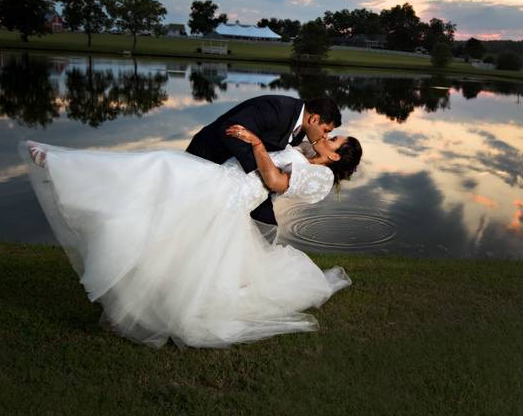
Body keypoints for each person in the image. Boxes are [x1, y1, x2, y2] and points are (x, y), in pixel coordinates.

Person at [20, 124, 363, 349]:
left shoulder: (320, 179)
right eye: (331, 133)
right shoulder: (305, 154)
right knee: (157, 181)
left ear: (335, 156)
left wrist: (256, 142)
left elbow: (275, 182)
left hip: (228, 194)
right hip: (220, 181)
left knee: (160, 171)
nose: (327, 137)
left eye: (334, 140)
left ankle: (63, 169)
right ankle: (67, 173)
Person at [186, 95, 341, 229]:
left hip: (249, 182)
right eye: (326, 130)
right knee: (194, 217)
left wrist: (264, 171)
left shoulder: (300, 131)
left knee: (265, 228)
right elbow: (229, 130)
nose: (325, 136)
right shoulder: (275, 109)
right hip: (209, 158)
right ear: (314, 119)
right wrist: (259, 170)